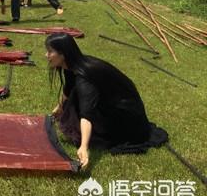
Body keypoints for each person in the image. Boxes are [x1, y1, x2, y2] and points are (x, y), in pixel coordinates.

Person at [45, 32, 168, 170]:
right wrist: (58, 109)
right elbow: (68, 90)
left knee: (78, 110)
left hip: (127, 115)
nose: (46, 55)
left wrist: (84, 147)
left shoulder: (84, 78)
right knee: (73, 101)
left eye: (50, 51)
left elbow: (87, 114)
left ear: (63, 54)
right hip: (115, 103)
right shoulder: (72, 65)